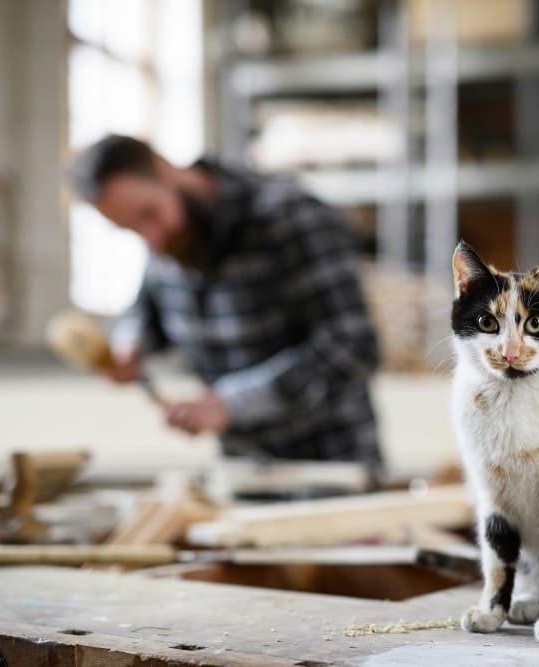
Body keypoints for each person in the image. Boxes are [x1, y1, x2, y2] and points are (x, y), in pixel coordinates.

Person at [70, 135, 382, 475]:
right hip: (243, 470)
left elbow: (353, 344)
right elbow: (148, 313)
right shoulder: (166, 238)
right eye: (131, 229)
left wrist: (230, 404)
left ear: (166, 168)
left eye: (149, 214)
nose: (151, 238)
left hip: (331, 469)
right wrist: (130, 344)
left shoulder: (288, 216)